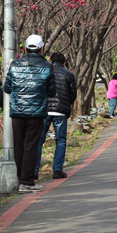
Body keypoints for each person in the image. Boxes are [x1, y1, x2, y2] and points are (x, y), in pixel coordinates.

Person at [3, 34, 56, 193]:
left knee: (19, 145)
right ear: (41, 49)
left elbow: (7, 88)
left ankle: (20, 179)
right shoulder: (47, 66)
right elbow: (52, 91)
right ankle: (27, 181)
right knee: (31, 145)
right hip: (36, 112)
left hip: (17, 112)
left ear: (25, 48)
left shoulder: (15, 65)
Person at [37, 52, 77, 180]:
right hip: (61, 111)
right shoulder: (69, 74)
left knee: (39, 140)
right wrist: (66, 104)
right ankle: (57, 170)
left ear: (50, 60)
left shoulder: (43, 71)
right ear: (64, 62)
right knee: (60, 141)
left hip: (44, 111)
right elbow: (73, 95)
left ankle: (34, 170)